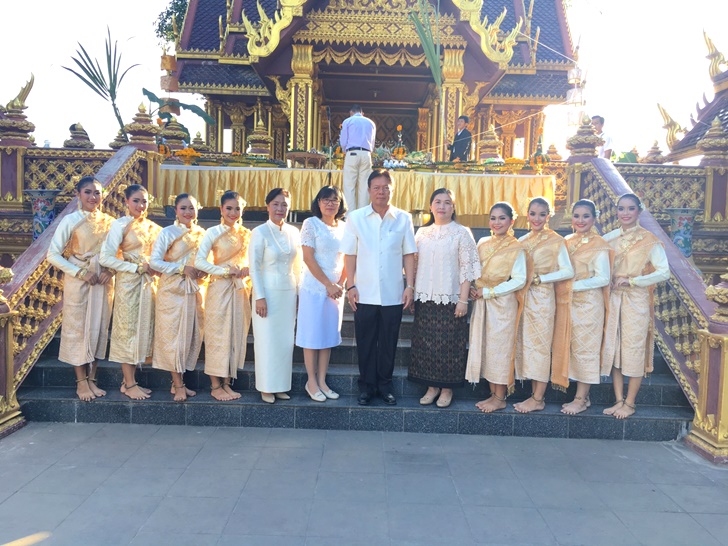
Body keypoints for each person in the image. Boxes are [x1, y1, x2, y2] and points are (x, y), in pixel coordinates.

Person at [343, 169, 417, 406]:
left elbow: (408, 254)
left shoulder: (403, 218)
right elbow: (350, 254)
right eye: (376, 188)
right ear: (368, 190)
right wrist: (351, 285)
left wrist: (409, 286)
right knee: (365, 342)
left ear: (392, 190)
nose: (381, 192)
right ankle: (366, 387)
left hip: (393, 293)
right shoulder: (356, 218)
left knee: (388, 343)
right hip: (364, 292)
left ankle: (385, 386)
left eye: (386, 188)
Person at [410, 188, 480, 408]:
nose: (442, 206)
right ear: (431, 206)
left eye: (447, 202)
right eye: (438, 202)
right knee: (426, 345)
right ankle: (431, 387)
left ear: (453, 207)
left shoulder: (461, 233)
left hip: (451, 299)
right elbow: (414, 264)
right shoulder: (422, 233)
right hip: (425, 297)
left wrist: (463, 300)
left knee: (449, 345)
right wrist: (413, 292)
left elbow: (467, 267)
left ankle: (447, 389)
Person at [47, 176, 114, 401]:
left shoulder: (111, 222)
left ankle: (92, 378)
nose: (93, 197)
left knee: (99, 327)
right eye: (88, 192)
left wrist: (110, 271)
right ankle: (81, 381)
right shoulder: (70, 220)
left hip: (102, 280)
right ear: (78, 194)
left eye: (97, 193)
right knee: (78, 329)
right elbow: (53, 254)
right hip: (79, 279)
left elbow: (119, 252)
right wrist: (80, 272)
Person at [602, 193, 669, 419]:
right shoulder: (609, 239)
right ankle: (618, 400)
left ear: (639, 211)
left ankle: (630, 403)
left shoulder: (649, 240)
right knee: (615, 349)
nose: (625, 213)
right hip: (613, 299)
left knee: (633, 350)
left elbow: (664, 272)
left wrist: (633, 281)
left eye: (630, 208)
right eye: (621, 208)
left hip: (636, 299)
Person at [99, 184, 161, 400]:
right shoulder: (120, 224)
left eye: (144, 201)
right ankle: (129, 382)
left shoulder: (153, 227)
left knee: (142, 329)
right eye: (136, 201)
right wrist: (134, 267)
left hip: (148, 283)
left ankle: (129, 382)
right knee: (127, 331)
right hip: (128, 283)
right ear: (126, 201)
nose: (141, 206)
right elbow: (106, 257)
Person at [465, 202, 529, 413]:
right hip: (482, 302)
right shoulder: (483, 242)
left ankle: (500, 397)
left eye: (502, 218)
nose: (497, 222)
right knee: (486, 347)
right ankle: (493, 394)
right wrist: (473, 288)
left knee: (499, 350)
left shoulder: (517, 247)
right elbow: (474, 269)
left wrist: (490, 292)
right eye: (493, 218)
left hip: (502, 304)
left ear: (512, 221)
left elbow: (519, 280)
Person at [513, 197, 574, 413]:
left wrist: (541, 279)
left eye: (541, 214)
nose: (536, 218)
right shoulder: (522, 241)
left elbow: (568, 271)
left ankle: (538, 398)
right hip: (524, 298)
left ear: (548, 216)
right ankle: (534, 395)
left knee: (540, 346)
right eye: (533, 214)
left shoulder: (556, 241)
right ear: (527, 215)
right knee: (528, 346)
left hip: (543, 298)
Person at [194, 191, 251, 401]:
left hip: (239, 289)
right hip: (219, 288)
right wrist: (225, 271)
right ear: (221, 209)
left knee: (235, 334)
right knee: (217, 336)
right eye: (229, 208)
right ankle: (215, 384)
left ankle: (227, 382)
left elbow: (253, 260)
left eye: (237, 209)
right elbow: (200, 262)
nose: (233, 213)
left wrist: (247, 269)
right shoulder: (213, 232)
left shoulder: (247, 234)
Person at [150, 193, 207, 402]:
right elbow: (155, 262)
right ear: (175, 211)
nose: (188, 212)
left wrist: (203, 271)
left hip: (194, 289)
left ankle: (178, 383)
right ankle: (178, 384)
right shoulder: (167, 232)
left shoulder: (202, 234)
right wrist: (181, 268)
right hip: (171, 290)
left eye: (192, 208)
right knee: (173, 338)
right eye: (183, 208)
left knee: (188, 337)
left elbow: (206, 260)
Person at [249, 188, 302, 404]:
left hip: (288, 293)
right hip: (267, 294)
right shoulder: (259, 232)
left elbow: (298, 266)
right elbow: (254, 267)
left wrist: (298, 294)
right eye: (276, 204)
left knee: (284, 343)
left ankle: (280, 386)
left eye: (284, 205)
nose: (280, 209)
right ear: (268, 206)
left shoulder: (294, 232)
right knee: (267, 341)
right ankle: (266, 387)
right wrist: (259, 296)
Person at [561, 199, 613, 415]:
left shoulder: (599, 244)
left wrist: (573, 286)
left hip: (589, 303)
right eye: (576, 216)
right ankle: (585, 396)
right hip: (568, 302)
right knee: (572, 347)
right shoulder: (566, 241)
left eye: (585, 216)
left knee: (586, 349)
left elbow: (603, 278)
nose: (580, 220)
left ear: (594, 218)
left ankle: (580, 399)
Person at [296, 186, 347, 402]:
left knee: (327, 336)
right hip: (314, 288)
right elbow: (308, 258)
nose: (330, 203)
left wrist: (340, 284)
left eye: (335, 200)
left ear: (340, 204)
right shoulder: (311, 224)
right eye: (325, 199)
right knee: (312, 336)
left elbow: (347, 257)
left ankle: (323, 381)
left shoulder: (344, 227)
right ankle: (311, 381)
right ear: (318, 202)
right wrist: (327, 284)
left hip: (335, 291)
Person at [340, 104, 376, 210]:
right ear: (362, 113)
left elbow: (343, 141)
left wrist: (344, 150)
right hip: (366, 154)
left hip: (352, 153)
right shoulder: (371, 123)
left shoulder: (348, 121)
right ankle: (362, 214)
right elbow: (373, 142)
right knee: (365, 186)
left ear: (351, 112)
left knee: (349, 186)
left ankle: (350, 215)